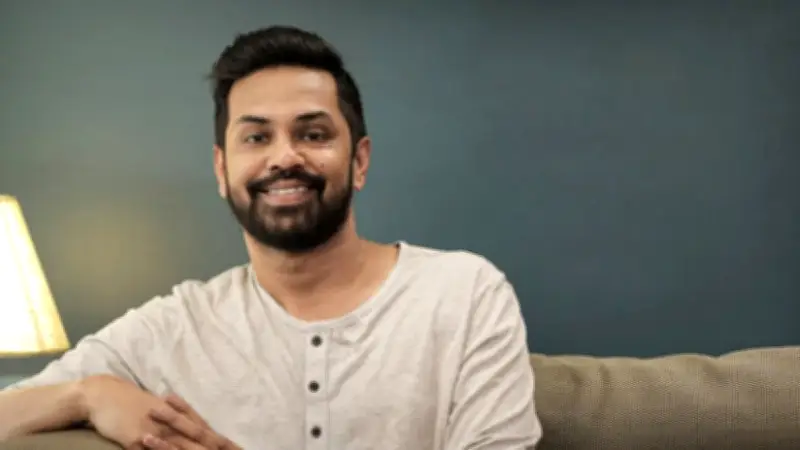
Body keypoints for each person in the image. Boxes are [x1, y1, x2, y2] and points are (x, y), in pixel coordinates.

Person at [0, 25, 541, 449]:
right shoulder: (173, 327)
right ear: (222, 169)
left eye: (313, 133)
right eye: (257, 137)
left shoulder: (464, 293)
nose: (285, 156)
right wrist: (87, 394)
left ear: (359, 161)